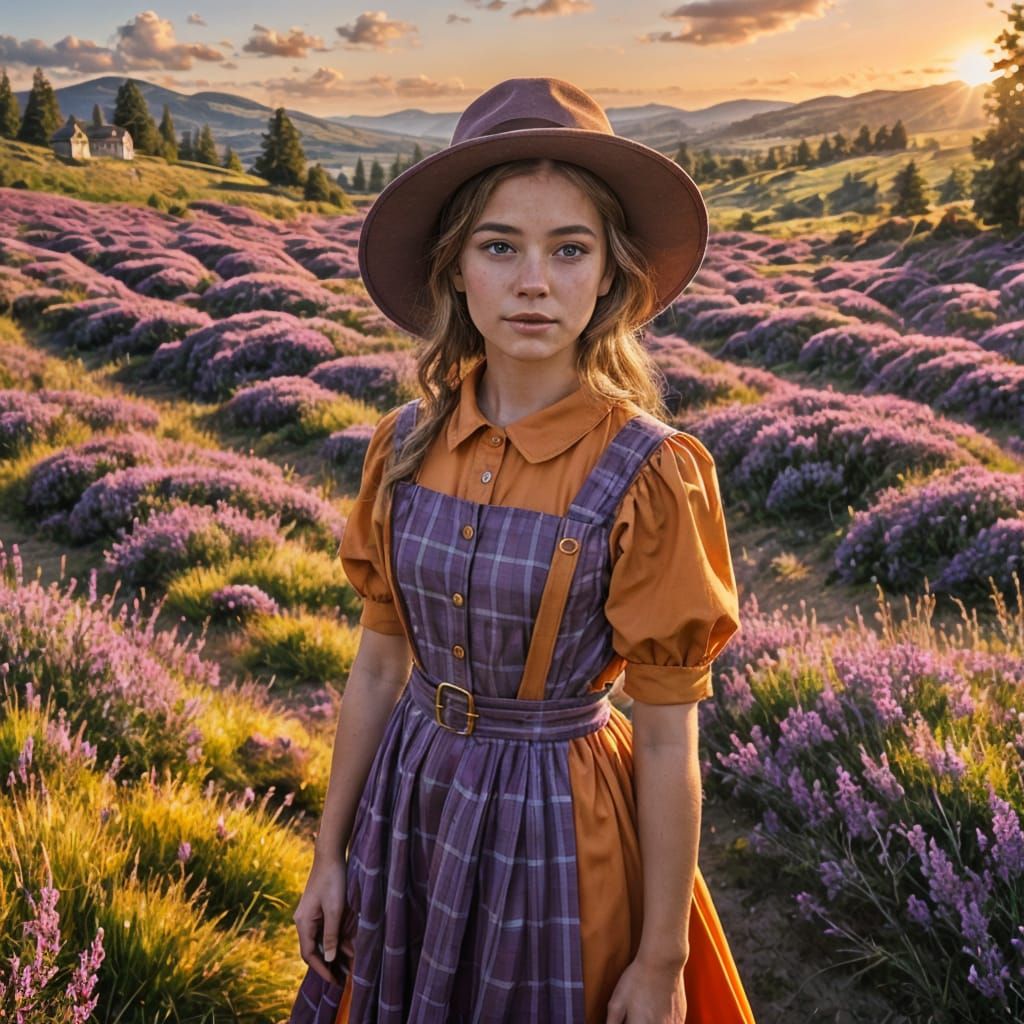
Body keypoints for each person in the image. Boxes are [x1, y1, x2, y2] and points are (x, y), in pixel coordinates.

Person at [289, 77, 754, 1024]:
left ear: (610, 277)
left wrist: (662, 958)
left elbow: (668, 738)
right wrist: (328, 854)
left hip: (557, 820)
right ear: (456, 270)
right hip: (411, 797)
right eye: (500, 246)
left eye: (569, 250)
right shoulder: (405, 445)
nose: (534, 281)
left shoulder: (651, 473)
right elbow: (379, 667)